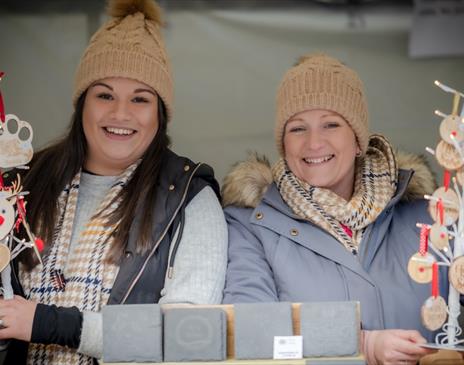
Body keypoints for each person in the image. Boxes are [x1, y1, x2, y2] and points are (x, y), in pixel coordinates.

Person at [0, 0, 227, 364]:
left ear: (160, 115)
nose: (120, 113)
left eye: (140, 99)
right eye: (104, 95)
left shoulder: (188, 197)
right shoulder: (20, 184)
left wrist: (54, 324)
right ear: (82, 105)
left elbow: (189, 335)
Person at [222, 53, 441, 365]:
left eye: (331, 124)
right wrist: (362, 344)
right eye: (298, 128)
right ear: (283, 144)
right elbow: (248, 329)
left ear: (358, 140)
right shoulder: (250, 225)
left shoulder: (428, 217)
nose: (314, 143)